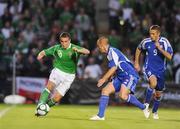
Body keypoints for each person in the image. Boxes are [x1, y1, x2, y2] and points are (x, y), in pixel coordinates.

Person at [90, 36, 149, 121]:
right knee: (105, 91)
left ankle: (143, 107)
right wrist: (111, 76)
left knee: (123, 96)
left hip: (129, 75)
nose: (99, 49)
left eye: (99, 47)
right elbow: (116, 67)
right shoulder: (109, 54)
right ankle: (100, 116)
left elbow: (113, 68)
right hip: (120, 76)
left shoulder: (112, 51)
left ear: (103, 46)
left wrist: (104, 79)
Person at [35, 32, 90, 116]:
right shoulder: (57, 48)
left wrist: (79, 50)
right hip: (58, 71)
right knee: (49, 86)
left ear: (69, 41)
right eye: (62, 41)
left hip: (70, 76)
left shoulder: (74, 48)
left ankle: (45, 108)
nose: (64, 43)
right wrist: (40, 55)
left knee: (57, 98)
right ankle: (40, 105)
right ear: (60, 41)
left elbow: (87, 51)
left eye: (66, 41)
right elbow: (44, 52)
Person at [134, 25, 173, 119]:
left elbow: (170, 57)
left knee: (158, 94)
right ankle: (146, 105)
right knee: (153, 82)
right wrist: (136, 63)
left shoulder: (164, 42)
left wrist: (160, 49)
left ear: (158, 34)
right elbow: (138, 49)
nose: (151, 35)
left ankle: (155, 112)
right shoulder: (146, 42)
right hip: (149, 68)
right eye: (150, 33)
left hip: (161, 71)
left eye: (153, 34)